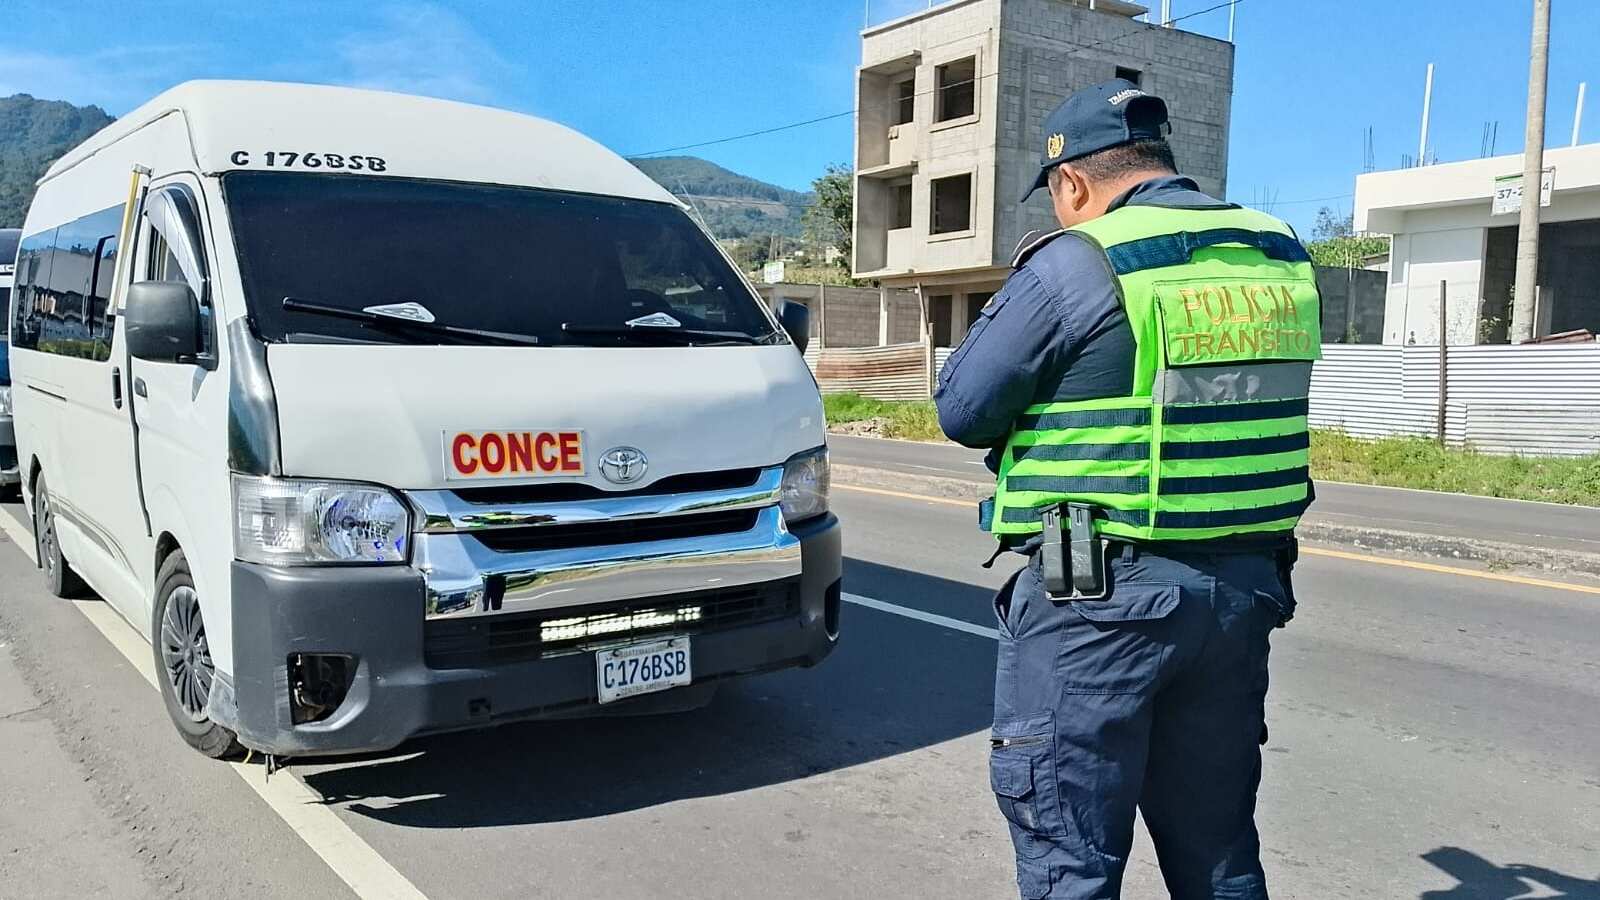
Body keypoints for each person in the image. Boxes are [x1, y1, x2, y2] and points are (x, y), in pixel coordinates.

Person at [935, 79, 1321, 900]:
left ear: (1071, 182)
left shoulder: (1083, 260)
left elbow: (964, 408)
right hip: (1241, 594)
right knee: (1218, 855)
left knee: (1069, 863)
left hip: (1097, 606)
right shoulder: (1278, 252)